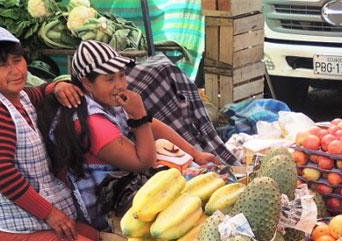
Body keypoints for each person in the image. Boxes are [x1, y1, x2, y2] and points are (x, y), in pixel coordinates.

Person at [41, 40, 221, 230]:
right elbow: (143, 161)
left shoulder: (105, 101)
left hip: (121, 186)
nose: (120, 85)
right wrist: (139, 116)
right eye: (109, 79)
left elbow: (153, 126)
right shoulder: (91, 122)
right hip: (103, 212)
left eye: (121, 76)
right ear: (87, 83)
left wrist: (196, 154)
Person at [0, 26, 104, 241]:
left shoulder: (20, 98)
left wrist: (57, 86)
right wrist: (51, 215)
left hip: (22, 212)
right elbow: (1, 174)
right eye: (2, 65)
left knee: (94, 237)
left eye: (17, 60)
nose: (15, 71)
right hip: (2, 221)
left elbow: (40, 90)